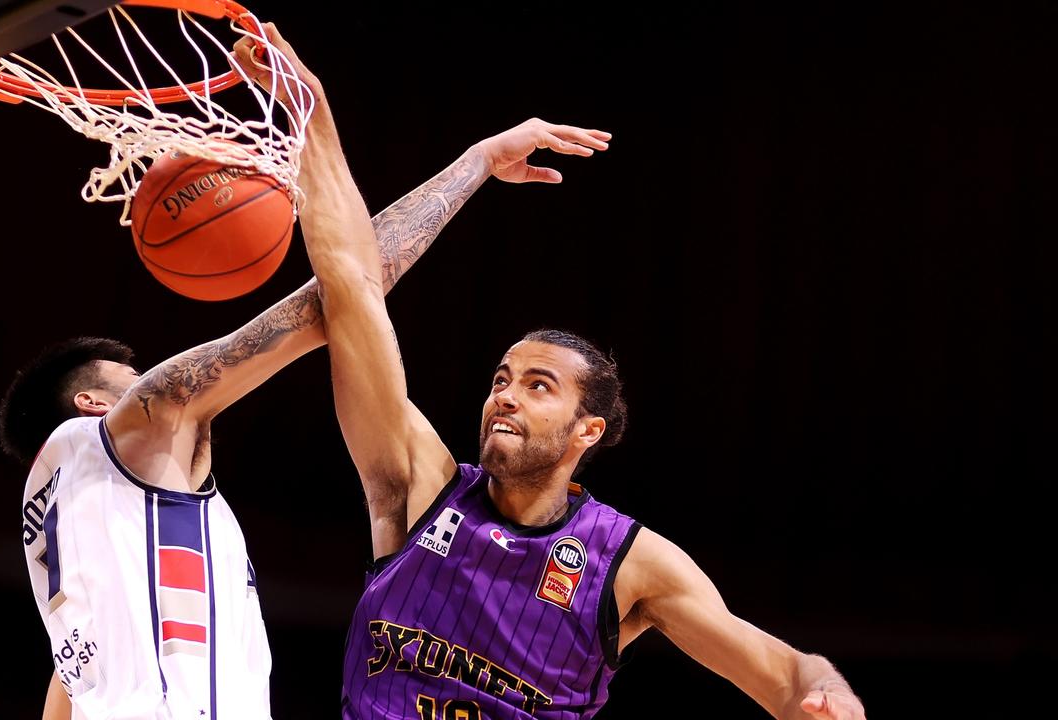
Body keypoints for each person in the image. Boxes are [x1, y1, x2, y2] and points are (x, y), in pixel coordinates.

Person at [246, 29, 870, 720]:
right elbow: (351, 286)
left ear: (588, 430)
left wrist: (828, 694)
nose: (504, 396)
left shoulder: (628, 563)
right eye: (502, 378)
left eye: (538, 385)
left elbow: (786, 675)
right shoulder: (418, 482)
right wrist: (313, 115)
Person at [0, 29, 610, 720]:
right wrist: (454, 157)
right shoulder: (141, 421)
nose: (148, 379)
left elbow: (66, 700)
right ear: (91, 401)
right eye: (132, 375)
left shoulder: (59, 545)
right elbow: (345, 293)